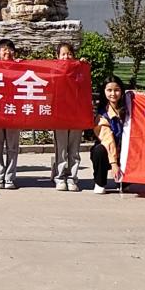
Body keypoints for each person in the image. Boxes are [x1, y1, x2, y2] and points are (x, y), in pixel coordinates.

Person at [51, 41, 83, 191]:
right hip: (60, 115)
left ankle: (72, 178)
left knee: (74, 149)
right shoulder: (53, 70)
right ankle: (60, 177)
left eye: (69, 54)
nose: (66, 57)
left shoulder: (79, 70)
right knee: (61, 149)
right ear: (57, 56)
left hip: (76, 114)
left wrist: (82, 66)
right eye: (63, 54)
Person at [0, 39, 22, 189]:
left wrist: (22, 66)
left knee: (12, 147)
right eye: (4, 49)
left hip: (13, 111)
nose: (7, 52)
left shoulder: (20, 67)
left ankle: (9, 178)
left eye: (10, 49)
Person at [90, 76, 128, 194]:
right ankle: (99, 182)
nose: (113, 94)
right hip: (108, 152)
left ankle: (125, 180)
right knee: (99, 150)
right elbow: (108, 140)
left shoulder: (130, 110)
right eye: (109, 90)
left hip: (125, 151)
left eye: (116, 90)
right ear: (104, 92)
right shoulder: (102, 115)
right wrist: (114, 164)